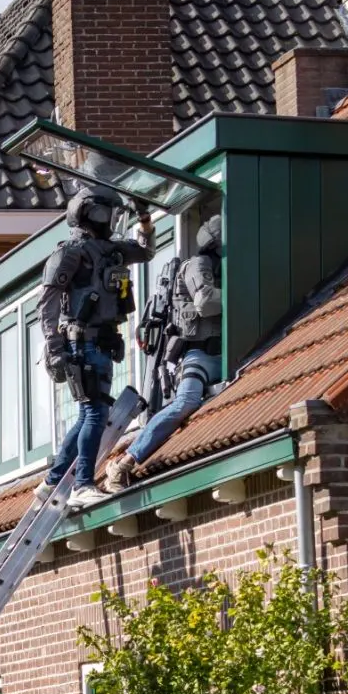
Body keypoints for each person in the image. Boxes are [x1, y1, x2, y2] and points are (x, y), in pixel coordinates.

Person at [38, 187, 153, 503]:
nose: (115, 220)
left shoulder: (111, 250)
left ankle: (53, 480)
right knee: (95, 413)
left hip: (102, 343)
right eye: (111, 213)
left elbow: (145, 251)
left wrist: (144, 218)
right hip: (82, 344)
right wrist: (55, 348)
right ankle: (82, 484)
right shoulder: (70, 252)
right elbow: (46, 303)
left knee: (90, 412)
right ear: (94, 213)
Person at [104, 212, 222, 492]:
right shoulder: (199, 265)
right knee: (186, 402)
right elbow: (205, 302)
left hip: (229, 353)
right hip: (199, 355)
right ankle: (126, 462)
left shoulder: (229, 266)